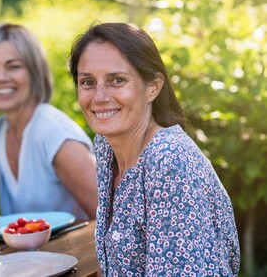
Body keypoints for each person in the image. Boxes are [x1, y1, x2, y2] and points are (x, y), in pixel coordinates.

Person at [69, 22, 240, 275]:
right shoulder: (106, 145)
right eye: (87, 82)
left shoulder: (169, 161)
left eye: (117, 80)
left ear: (153, 87)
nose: (100, 96)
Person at [0, 23, 97, 220]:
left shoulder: (54, 133)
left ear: (34, 72)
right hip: (24, 251)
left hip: (72, 251)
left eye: (14, 66)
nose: (1, 78)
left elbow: (108, 217)